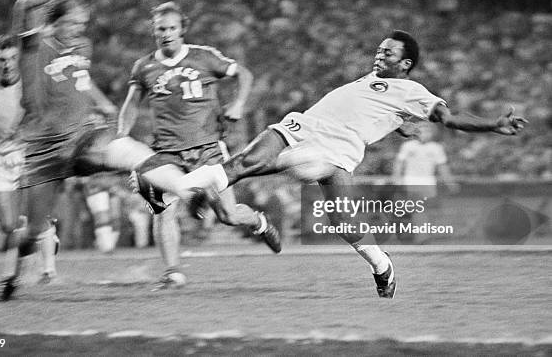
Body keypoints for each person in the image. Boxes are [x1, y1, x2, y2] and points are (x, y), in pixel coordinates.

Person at [178, 30, 527, 299]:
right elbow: (381, 114)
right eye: (379, 49)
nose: (380, 54)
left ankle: (382, 265)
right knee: (248, 161)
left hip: (335, 154)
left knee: (344, 224)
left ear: (405, 64)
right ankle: (189, 186)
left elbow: (449, 119)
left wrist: (493, 124)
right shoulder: (372, 83)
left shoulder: (413, 91)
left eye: (388, 52)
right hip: (304, 127)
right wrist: (400, 124)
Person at [0, 0, 210, 301]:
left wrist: (103, 104)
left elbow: (80, 81)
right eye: (74, 23)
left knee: (126, 148)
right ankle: (12, 275)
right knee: (34, 230)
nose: (80, 29)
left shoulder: (82, 47)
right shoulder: (35, 47)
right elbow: (23, 5)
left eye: (83, 24)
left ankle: (188, 189)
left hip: (81, 138)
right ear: (55, 22)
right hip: (43, 151)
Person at [118, 2, 281, 290]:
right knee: (163, 210)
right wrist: (122, 141)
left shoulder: (203, 57)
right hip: (166, 152)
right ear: (153, 31)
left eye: (172, 28)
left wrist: (239, 103)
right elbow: (131, 105)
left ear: (183, 29)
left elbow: (243, 73)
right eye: (161, 29)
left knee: (228, 216)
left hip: (208, 150)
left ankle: (259, 222)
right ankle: (173, 273)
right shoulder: (144, 67)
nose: (166, 34)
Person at [0, 35, 59, 283]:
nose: (7, 64)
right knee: (7, 225)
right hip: (0, 160)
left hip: (31, 155)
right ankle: (45, 231)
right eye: (1, 60)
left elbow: (53, 115)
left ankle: (46, 270)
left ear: (20, 60)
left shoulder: (34, 83)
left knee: (30, 217)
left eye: (13, 58)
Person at [392, 122, 459, 242]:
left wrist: (450, 183)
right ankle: (421, 237)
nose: (424, 134)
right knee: (418, 209)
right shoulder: (408, 146)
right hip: (412, 181)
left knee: (427, 210)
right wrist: (396, 178)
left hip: (429, 183)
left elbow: (442, 167)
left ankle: (423, 234)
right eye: (421, 131)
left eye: (427, 131)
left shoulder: (436, 148)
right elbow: (399, 163)